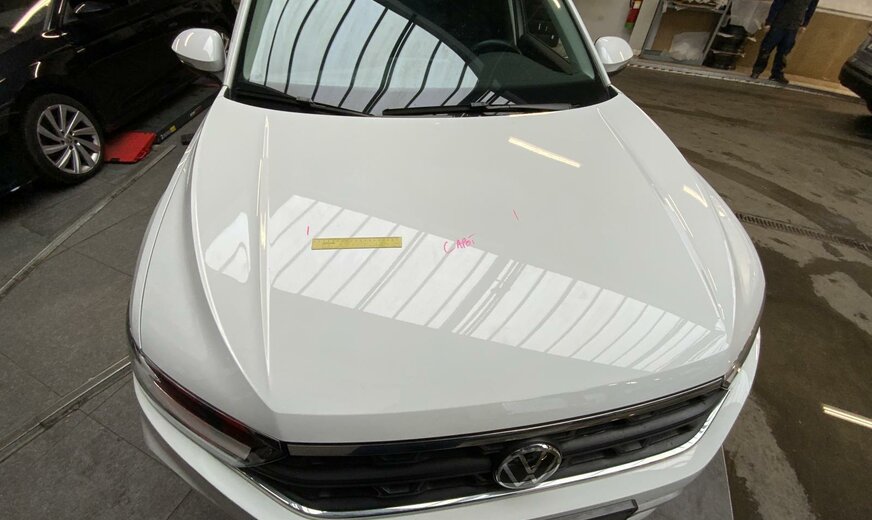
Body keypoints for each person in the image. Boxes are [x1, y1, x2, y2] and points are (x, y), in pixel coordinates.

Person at [750, 0, 819, 84]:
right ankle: (757, 70)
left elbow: (811, 9)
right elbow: (777, 4)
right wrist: (769, 22)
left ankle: (777, 74)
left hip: (794, 26)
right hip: (779, 23)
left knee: (784, 52)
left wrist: (805, 24)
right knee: (766, 49)